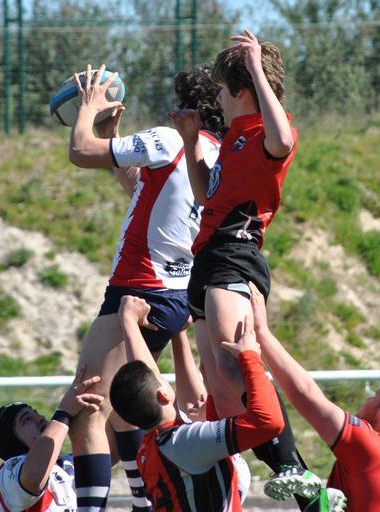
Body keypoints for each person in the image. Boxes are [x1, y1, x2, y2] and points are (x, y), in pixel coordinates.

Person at [66, 63, 225, 512]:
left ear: (189, 108)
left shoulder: (171, 139)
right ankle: (140, 496)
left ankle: (115, 505)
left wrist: (88, 108)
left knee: (87, 408)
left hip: (140, 289)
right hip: (172, 294)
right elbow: (146, 191)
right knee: (124, 407)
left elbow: (81, 151)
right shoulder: (215, 155)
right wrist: (115, 137)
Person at [170, 29, 318, 500]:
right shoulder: (234, 138)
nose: (216, 97)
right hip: (207, 259)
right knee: (223, 388)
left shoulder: (266, 132)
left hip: (234, 256)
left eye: (220, 88)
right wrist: (191, 142)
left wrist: (255, 66)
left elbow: (283, 139)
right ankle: (301, 485)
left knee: (236, 364)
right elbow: (205, 195)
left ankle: (297, 473)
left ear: (241, 91)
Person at [248, 282, 380, 511]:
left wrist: (262, 332)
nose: (368, 398)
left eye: (375, 396)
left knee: (267, 407)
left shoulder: (374, 449)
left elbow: (305, 395)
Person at [109, 294, 284, 512]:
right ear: (163, 395)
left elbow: (143, 382)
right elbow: (267, 422)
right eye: (162, 378)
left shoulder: (150, 449)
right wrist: (250, 357)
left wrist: (172, 332)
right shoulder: (182, 444)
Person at [0, 375, 103, 512]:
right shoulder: (8, 472)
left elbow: (108, 452)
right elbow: (33, 478)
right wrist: (64, 413)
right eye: (26, 419)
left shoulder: (65, 464)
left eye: (36, 413)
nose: (40, 418)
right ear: (12, 439)